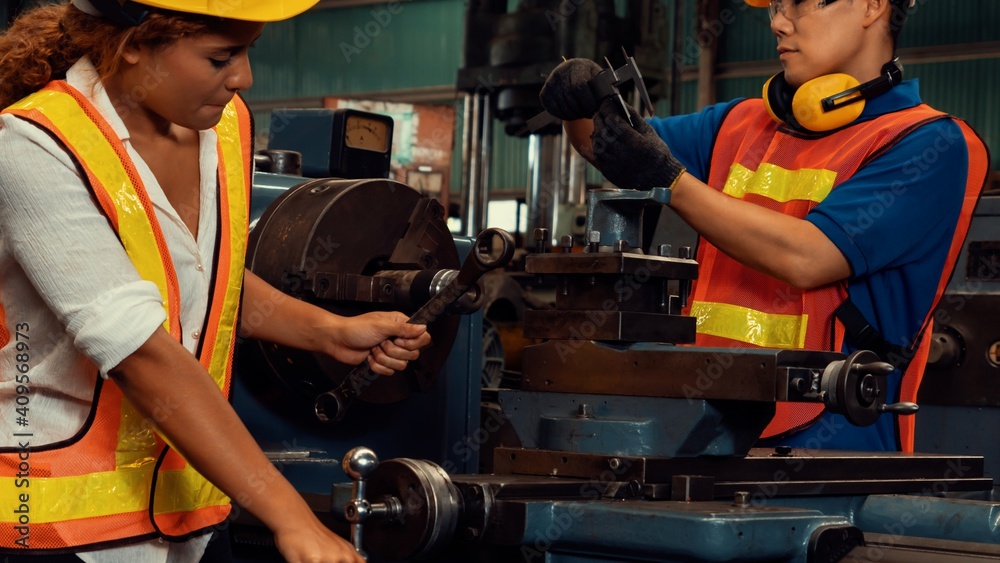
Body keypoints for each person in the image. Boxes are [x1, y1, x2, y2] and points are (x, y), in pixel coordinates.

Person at [0, 1, 431, 561]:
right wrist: (291, 518)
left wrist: (325, 331)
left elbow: (207, 271)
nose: (243, 78)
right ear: (133, 45)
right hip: (59, 527)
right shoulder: (32, 146)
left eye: (249, 52)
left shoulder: (224, 124)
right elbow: (139, 353)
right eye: (220, 57)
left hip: (194, 519)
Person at [540, 0, 989, 452]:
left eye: (797, 3)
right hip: (699, 433)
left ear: (871, 6)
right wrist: (581, 99)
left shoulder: (930, 145)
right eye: (774, 6)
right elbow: (610, 146)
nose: (777, 21)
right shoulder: (739, 124)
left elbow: (808, 257)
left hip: (826, 456)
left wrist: (670, 181)